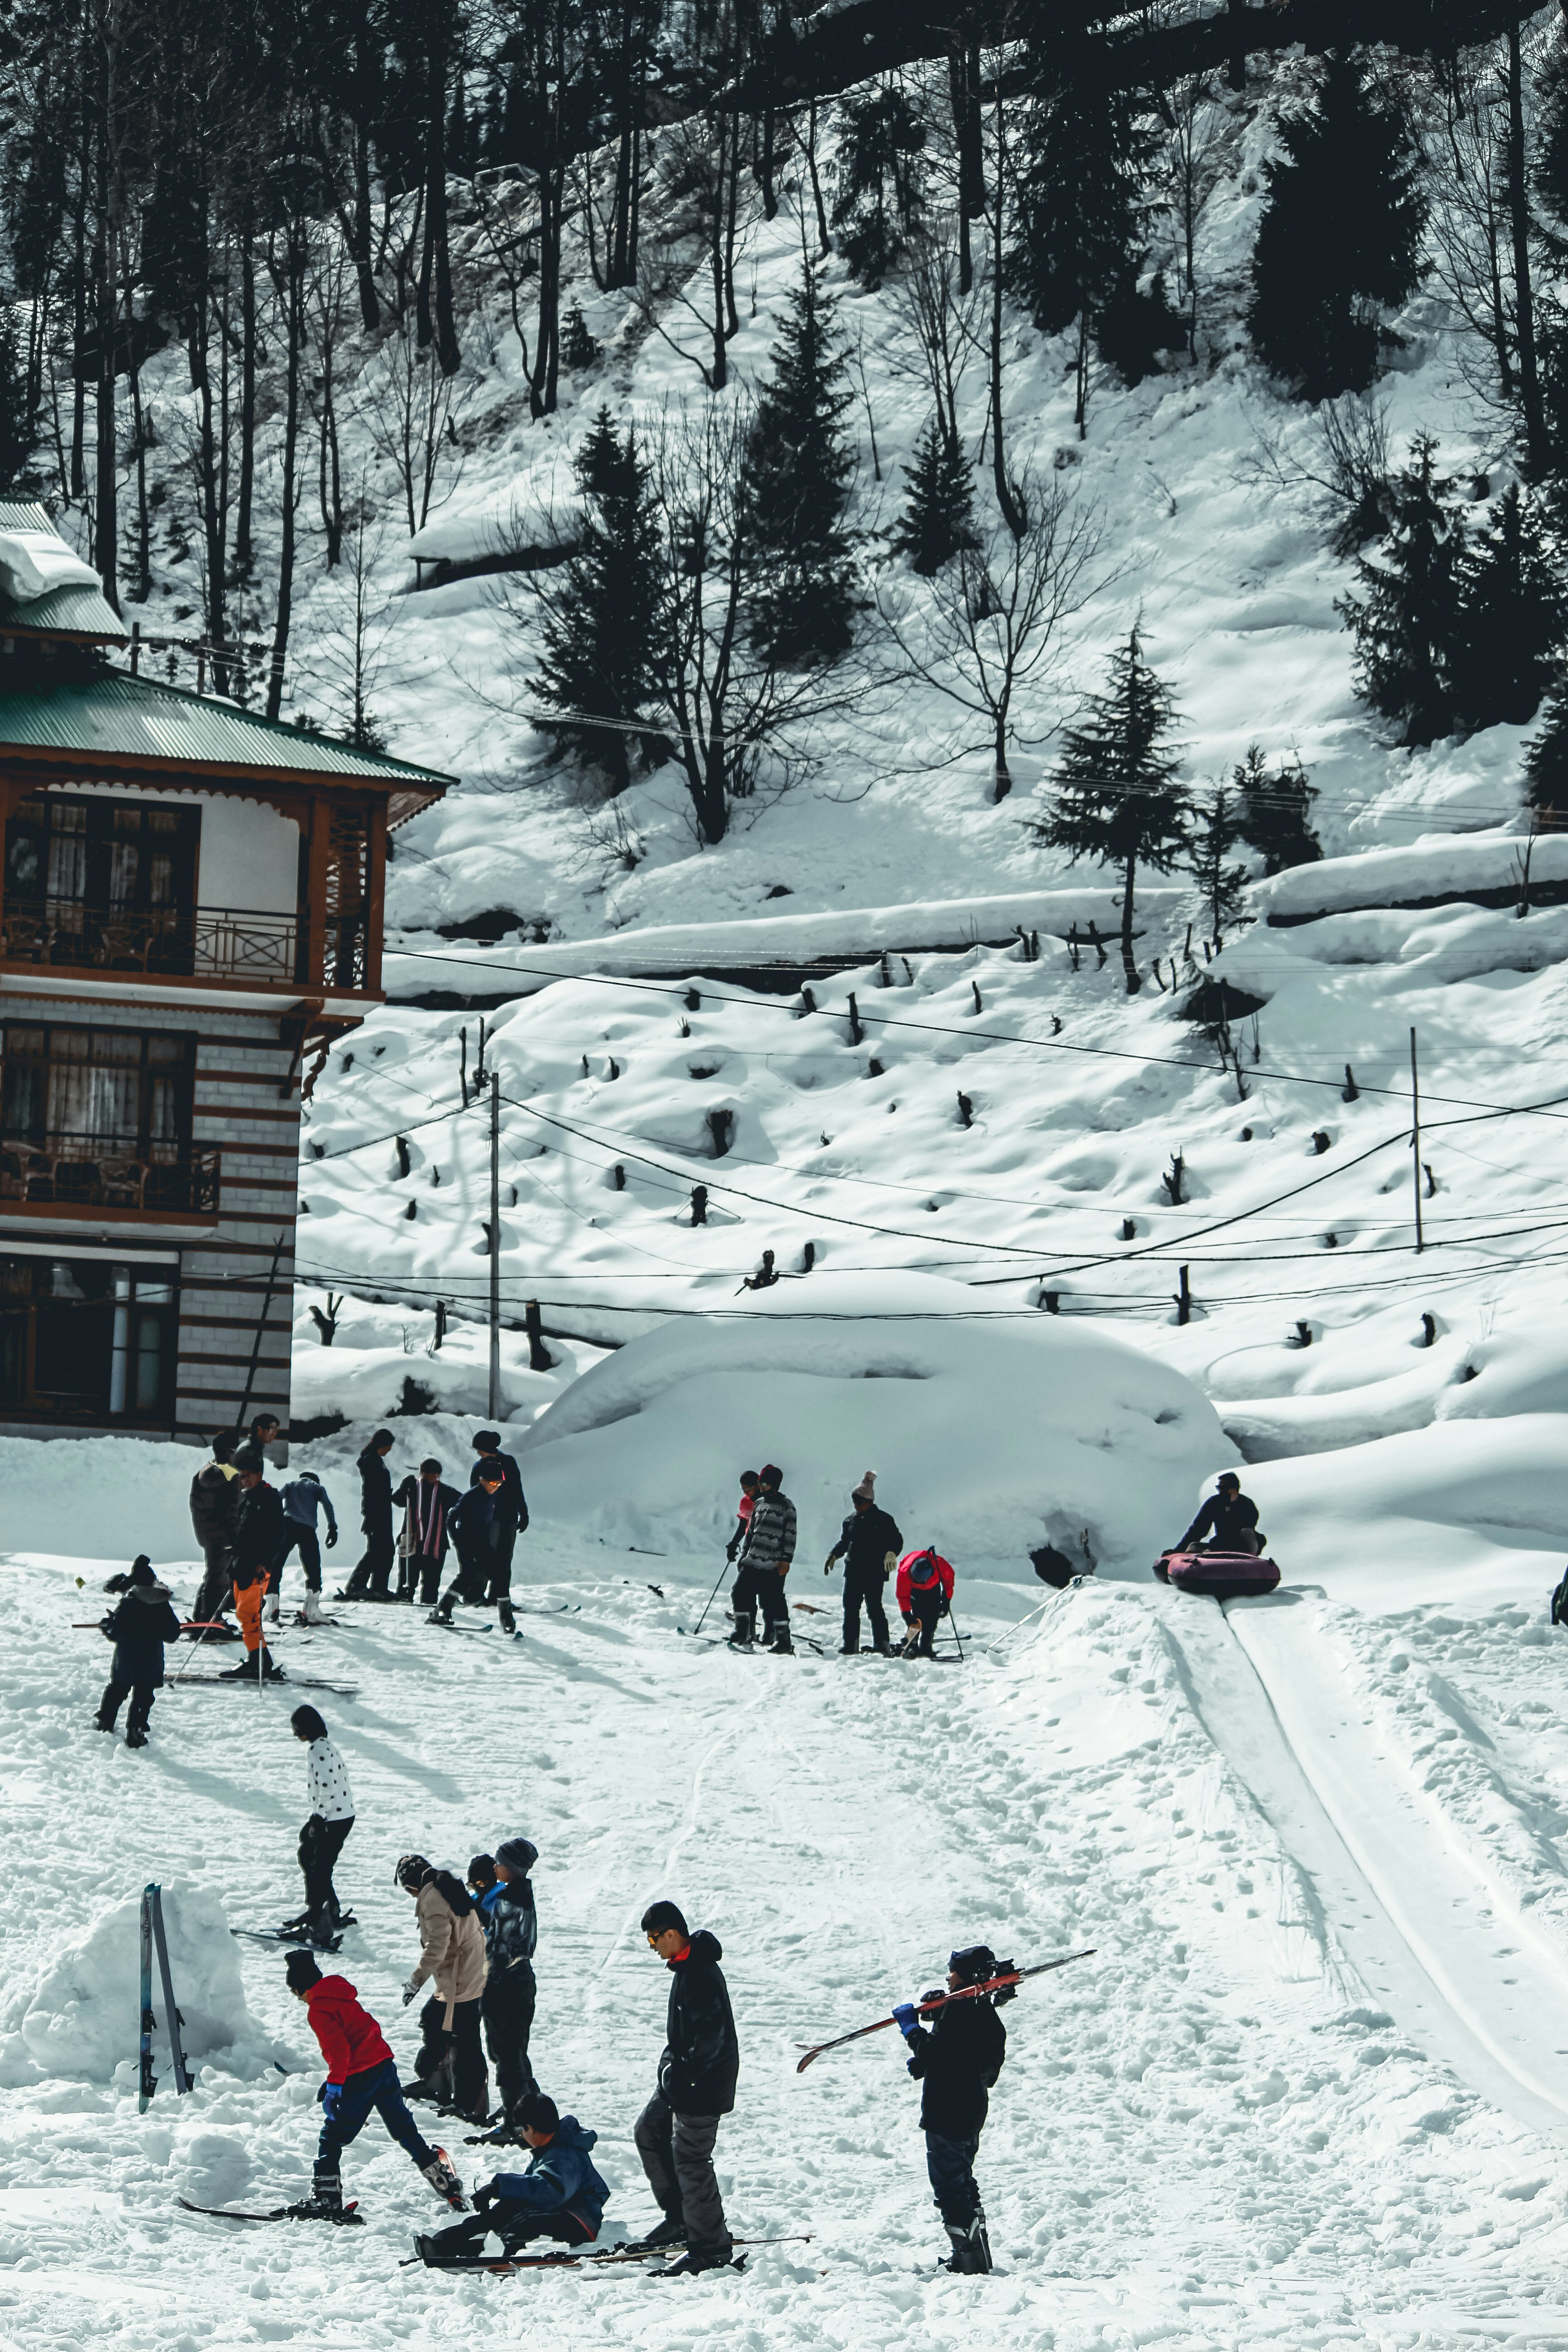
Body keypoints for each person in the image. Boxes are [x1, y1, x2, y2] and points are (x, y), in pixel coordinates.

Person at [284, 1948, 466, 2221]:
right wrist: (334, 2078)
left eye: (294, 1993)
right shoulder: (341, 1995)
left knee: (332, 2137)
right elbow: (360, 2035)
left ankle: (326, 2198)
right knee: (403, 2128)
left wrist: (335, 2085)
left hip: (360, 2077)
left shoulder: (319, 2008)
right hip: (384, 2067)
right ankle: (441, 2178)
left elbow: (340, 2052)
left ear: (300, 1989)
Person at [632, 1900, 739, 2276]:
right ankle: (682, 2219)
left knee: (692, 2160)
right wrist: (669, 2068)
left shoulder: (700, 1974)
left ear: (672, 1934)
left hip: (704, 2086)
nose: (652, 1946)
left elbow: (709, 2040)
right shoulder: (686, 1967)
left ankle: (710, 2248)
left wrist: (679, 2076)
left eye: (653, 1939)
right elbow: (685, 2038)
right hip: (685, 2080)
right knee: (648, 2131)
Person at [892, 1945, 1008, 2275]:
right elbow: (970, 2061)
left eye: (953, 1971)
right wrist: (937, 2017)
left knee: (949, 2187)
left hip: (948, 2112)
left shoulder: (961, 2013)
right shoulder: (984, 2013)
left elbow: (938, 2051)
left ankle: (967, 2258)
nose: (948, 1975)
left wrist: (911, 2029)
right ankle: (977, 2255)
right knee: (963, 2182)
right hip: (972, 2110)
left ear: (967, 1976)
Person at [414, 2092, 609, 2266]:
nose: (523, 2136)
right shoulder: (553, 2149)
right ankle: (447, 2244)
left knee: (521, 2218)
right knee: (506, 2211)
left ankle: (473, 2249)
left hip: (578, 2222)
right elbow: (535, 2191)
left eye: (523, 2130)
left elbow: (551, 2193)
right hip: (561, 2212)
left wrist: (500, 2186)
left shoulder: (565, 2155)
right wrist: (498, 2193)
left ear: (531, 2128)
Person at [396, 1854, 489, 2122]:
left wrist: (416, 1981)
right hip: (468, 1971)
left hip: (462, 1977)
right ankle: (438, 2084)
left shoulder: (433, 1899)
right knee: (437, 2022)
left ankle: (469, 2103)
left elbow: (437, 1947)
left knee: (464, 2038)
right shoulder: (443, 1885)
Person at [480, 1838, 539, 2135]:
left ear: (512, 1867)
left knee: (508, 2054)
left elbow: (504, 1946)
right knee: (512, 2051)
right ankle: (525, 2107)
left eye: (499, 1863)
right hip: (519, 1981)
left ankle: (518, 2120)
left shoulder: (510, 1901)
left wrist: (491, 1983)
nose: (495, 1867)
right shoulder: (518, 1894)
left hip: (508, 1983)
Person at [281, 1706, 355, 1944]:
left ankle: (318, 1924)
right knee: (309, 1857)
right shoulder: (325, 1745)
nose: (296, 1736)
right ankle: (329, 1911)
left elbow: (327, 1786)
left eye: (298, 1731)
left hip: (333, 1817)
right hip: (338, 1815)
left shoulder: (317, 1750)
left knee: (317, 1868)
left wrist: (319, 1818)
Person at [94, 1556, 182, 1747]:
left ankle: (105, 1723)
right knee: (144, 1696)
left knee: (117, 1691)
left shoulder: (128, 1603)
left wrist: (107, 1625)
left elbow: (115, 1633)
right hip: (151, 1661)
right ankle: (135, 1733)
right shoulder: (162, 1604)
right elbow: (173, 1634)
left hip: (126, 1659)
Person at [219, 1449, 286, 1682]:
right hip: (241, 1563)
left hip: (257, 1567)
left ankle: (258, 1662)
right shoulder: (247, 1498)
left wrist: (264, 1563)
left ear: (259, 1474)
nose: (243, 1480)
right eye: (240, 1476)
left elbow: (277, 1535)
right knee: (247, 1616)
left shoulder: (270, 1499)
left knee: (248, 1615)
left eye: (247, 1476)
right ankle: (259, 1660)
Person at [824, 1472, 903, 1655]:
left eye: (859, 1503)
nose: (856, 1506)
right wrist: (834, 1554)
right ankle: (850, 1644)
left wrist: (892, 1553)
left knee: (875, 1608)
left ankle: (882, 1644)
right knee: (850, 1608)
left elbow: (897, 1540)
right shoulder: (850, 1521)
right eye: (854, 1503)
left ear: (869, 1501)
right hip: (853, 1571)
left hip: (875, 1572)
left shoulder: (884, 1520)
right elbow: (845, 1542)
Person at [427, 1468, 508, 1627]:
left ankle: (507, 1618)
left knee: (500, 1574)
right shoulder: (470, 1497)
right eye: (493, 1483)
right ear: (482, 1480)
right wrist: (458, 1542)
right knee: (467, 1576)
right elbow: (451, 1519)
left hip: (483, 1542)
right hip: (467, 1542)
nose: (496, 1487)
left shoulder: (494, 1494)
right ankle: (442, 1610)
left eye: (500, 1484)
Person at [730, 1463, 796, 1656]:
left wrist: (786, 1559)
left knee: (774, 1601)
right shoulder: (759, 1504)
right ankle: (743, 1633)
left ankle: (783, 1640)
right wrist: (744, 1555)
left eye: (765, 1484)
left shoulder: (787, 1506)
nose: (762, 1487)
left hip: (772, 1564)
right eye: (760, 1484)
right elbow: (750, 1532)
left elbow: (791, 1535)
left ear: (775, 1485)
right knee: (739, 1593)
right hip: (752, 1560)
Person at [470, 1431, 529, 1630]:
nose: (477, 1451)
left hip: (509, 1518)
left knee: (505, 1558)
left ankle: (499, 1596)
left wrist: (524, 1512)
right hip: (489, 1520)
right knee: (486, 1557)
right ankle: (476, 1595)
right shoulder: (479, 1467)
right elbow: (474, 1494)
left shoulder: (509, 1463)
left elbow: (517, 1488)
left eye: (479, 1447)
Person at [189, 1431, 241, 1639]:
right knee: (218, 1579)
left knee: (213, 1575)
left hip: (206, 1532)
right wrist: (235, 1536)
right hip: (223, 1535)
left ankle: (202, 1618)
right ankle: (211, 1623)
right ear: (229, 1452)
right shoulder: (229, 1473)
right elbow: (231, 1509)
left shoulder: (206, 1470)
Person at [393, 1459, 461, 1607]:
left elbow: (464, 1502)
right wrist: (404, 1486)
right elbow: (398, 1501)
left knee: (432, 1582)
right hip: (412, 1541)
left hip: (436, 1544)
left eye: (437, 1474)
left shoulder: (445, 1491)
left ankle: (429, 1607)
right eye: (430, 1473)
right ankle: (403, 1607)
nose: (434, 1476)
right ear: (422, 1473)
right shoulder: (412, 1487)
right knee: (407, 1581)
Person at [275, 1470, 339, 1625]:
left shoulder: (291, 1485)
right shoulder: (316, 1487)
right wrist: (333, 1527)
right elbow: (327, 1504)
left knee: (276, 1564)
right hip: (307, 1529)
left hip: (287, 1526)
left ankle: (271, 1607)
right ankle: (312, 1610)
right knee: (313, 1567)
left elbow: (276, 1498)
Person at [339, 1431, 396, 1600]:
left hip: (382, 1510)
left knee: (385, 1550)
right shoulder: (370, 1461)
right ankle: (356, 1585)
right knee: (377, 1549)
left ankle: (379, 1586)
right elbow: (373, 1490)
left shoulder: (376, 1461)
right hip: (376, 1511)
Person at [1177, 1471, 1263, 1556]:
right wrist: (1179, 1550)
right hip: (1221, 1545)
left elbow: (1249, 1524)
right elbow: (1198, 1529)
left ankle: (1248, 1559)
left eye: (1226, 1488)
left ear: (1235, 1489)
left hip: (1242, 1547)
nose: (1222, 1491)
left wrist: (1234, 1505)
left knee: (1248, 1533)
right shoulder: (1214, 1503)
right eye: (1219, 1488)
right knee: (1193, 1547)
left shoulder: (1246, 1504)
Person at [896, 1548, 955, 1660]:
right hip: (915, 1592)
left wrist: (947, 1600)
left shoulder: (940, 1565)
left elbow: (949, 1582)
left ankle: (926, 1646)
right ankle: (911, 1645)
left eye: (923, 1581)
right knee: (917, 1617)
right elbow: (903, 1595)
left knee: (932, 1616)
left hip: (933, 1589)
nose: (921, 1584)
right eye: (918, 1581)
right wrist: (906, 1613)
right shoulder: (905, 1574)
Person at [723, 1472, 760, 1566]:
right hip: (750, 1543)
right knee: (742, 1566)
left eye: (748, 1490)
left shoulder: (766, 1502)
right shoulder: (745, 1502)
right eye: (743, 1490)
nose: (745, 1493)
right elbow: (743, 1525)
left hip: (764, 1546)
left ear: (757, 1486)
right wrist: (734, 1544)